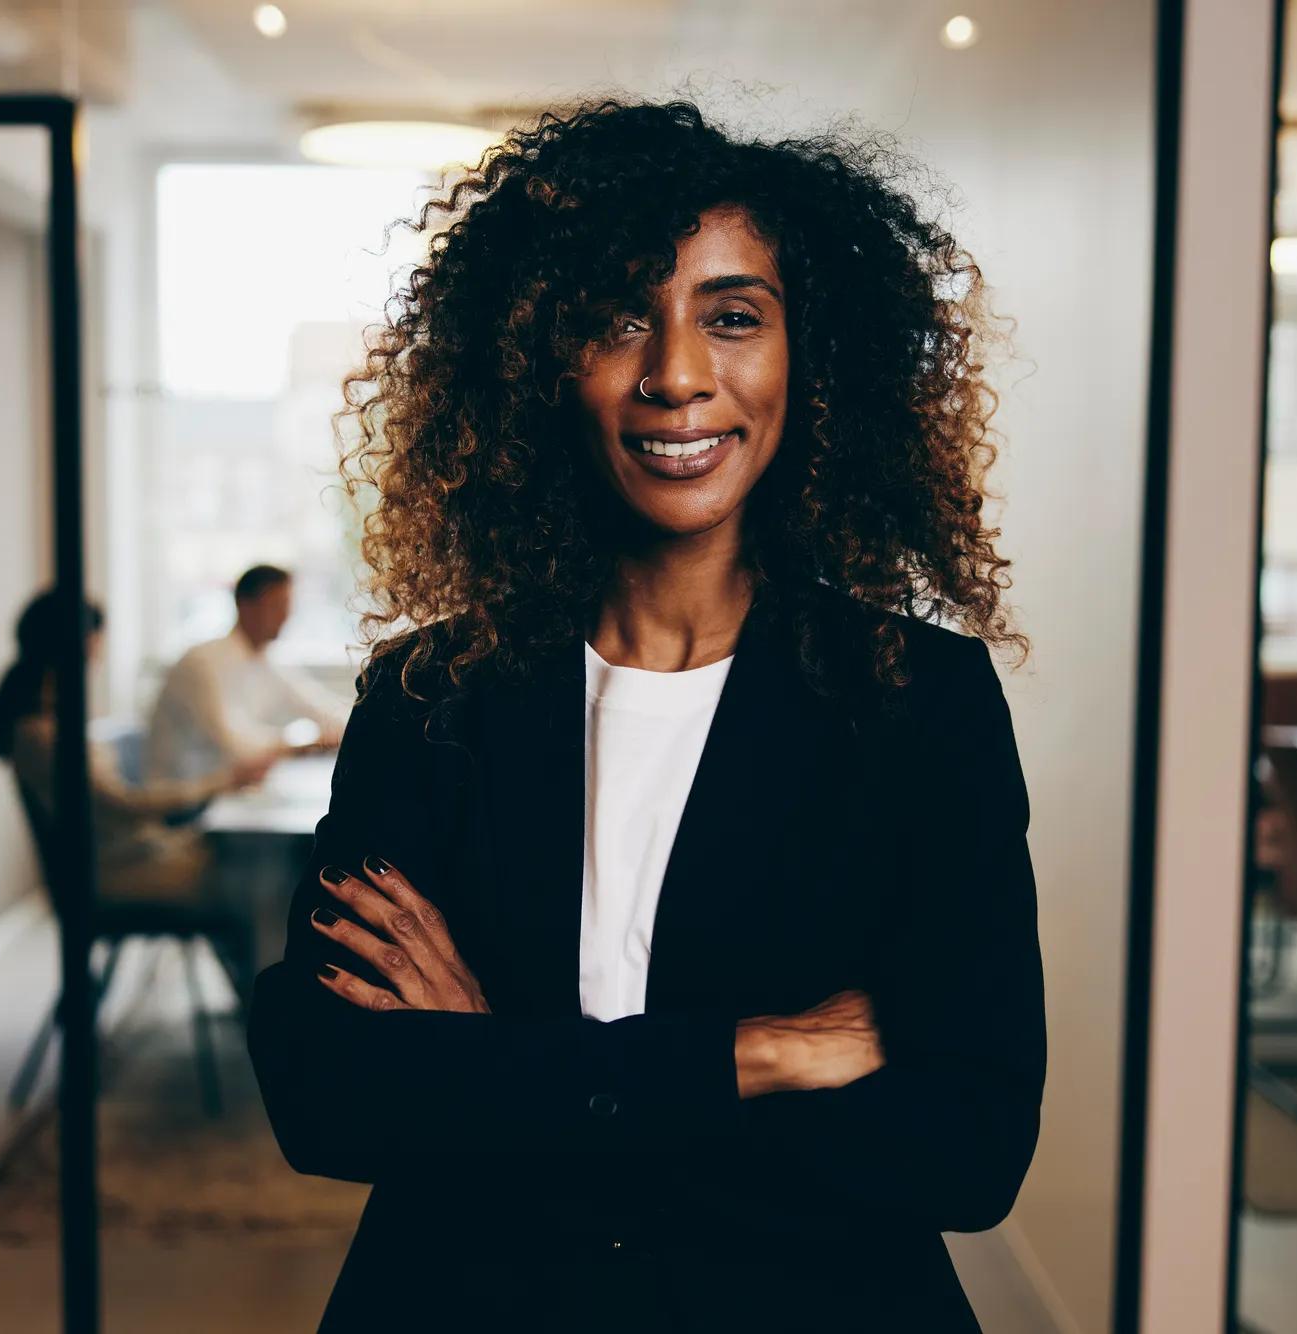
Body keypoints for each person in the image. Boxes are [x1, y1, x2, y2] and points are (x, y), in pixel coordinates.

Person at [248, 98, 1044, 1333]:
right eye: (616, 319)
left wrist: (500, 1062)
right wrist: (750, 1056)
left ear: (808, 358)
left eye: (732, 317)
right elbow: (329, 1097)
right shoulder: (428, 698)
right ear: (533, 364)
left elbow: (964, 1150)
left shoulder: (915, 704)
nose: (675, 374)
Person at [0, 589, 271, 904]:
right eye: (96, 638)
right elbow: (126, 804)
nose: (99, 652)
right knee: (260, 874)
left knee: (249, 860)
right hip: (122, 871)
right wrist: (219, 783)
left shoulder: (45, 727)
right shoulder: (45, 736)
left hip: (129, 857)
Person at [145, 565, 349, 785]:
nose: (285, 616)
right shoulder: (203, 663)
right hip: (181, 802)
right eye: (276, 606)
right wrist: (303, 746)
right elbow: (237, 745)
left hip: (226, 793)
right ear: (245, 606)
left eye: (288, 606)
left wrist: (360, 730)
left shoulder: (265, 660)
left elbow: (319, 706)